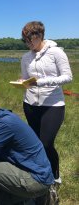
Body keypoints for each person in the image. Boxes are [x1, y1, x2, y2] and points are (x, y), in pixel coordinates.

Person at [20, 21, 73, 184]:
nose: (28, 43)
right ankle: (40, 173)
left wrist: (41, 82)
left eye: (30, 39)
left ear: (40, 35)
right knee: (36, 143)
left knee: (46, 143)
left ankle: (55, 176)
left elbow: (68, 77)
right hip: (30, 104)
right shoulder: (25, 57)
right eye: (25, 40)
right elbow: (25, 77)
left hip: (53, 105)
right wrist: (22, 81)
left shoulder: (56, 53)